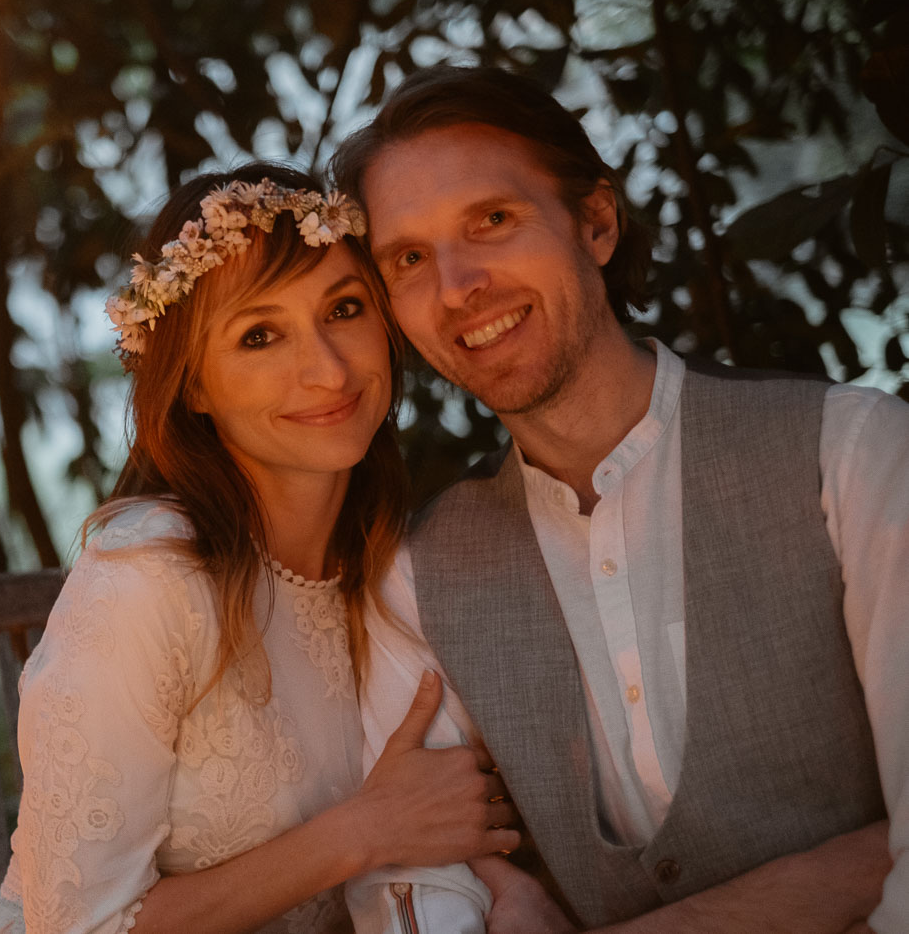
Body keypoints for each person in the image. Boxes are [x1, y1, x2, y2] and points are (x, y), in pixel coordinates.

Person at [329, 64, 906, 932]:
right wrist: (846, 867)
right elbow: (427, 888)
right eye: (409, 258)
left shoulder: (848, 454)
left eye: (492, 219)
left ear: (595, 223)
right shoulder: (417, 580)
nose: (457, 286)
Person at [0, 162, 529, 934]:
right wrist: (362, 831)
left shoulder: (385, 559)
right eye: (260, 335)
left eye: (345, 309)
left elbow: (435, 802)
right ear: (193, 384)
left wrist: (507, 886)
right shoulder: (148, 579)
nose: (326, 369)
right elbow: (80, 929)